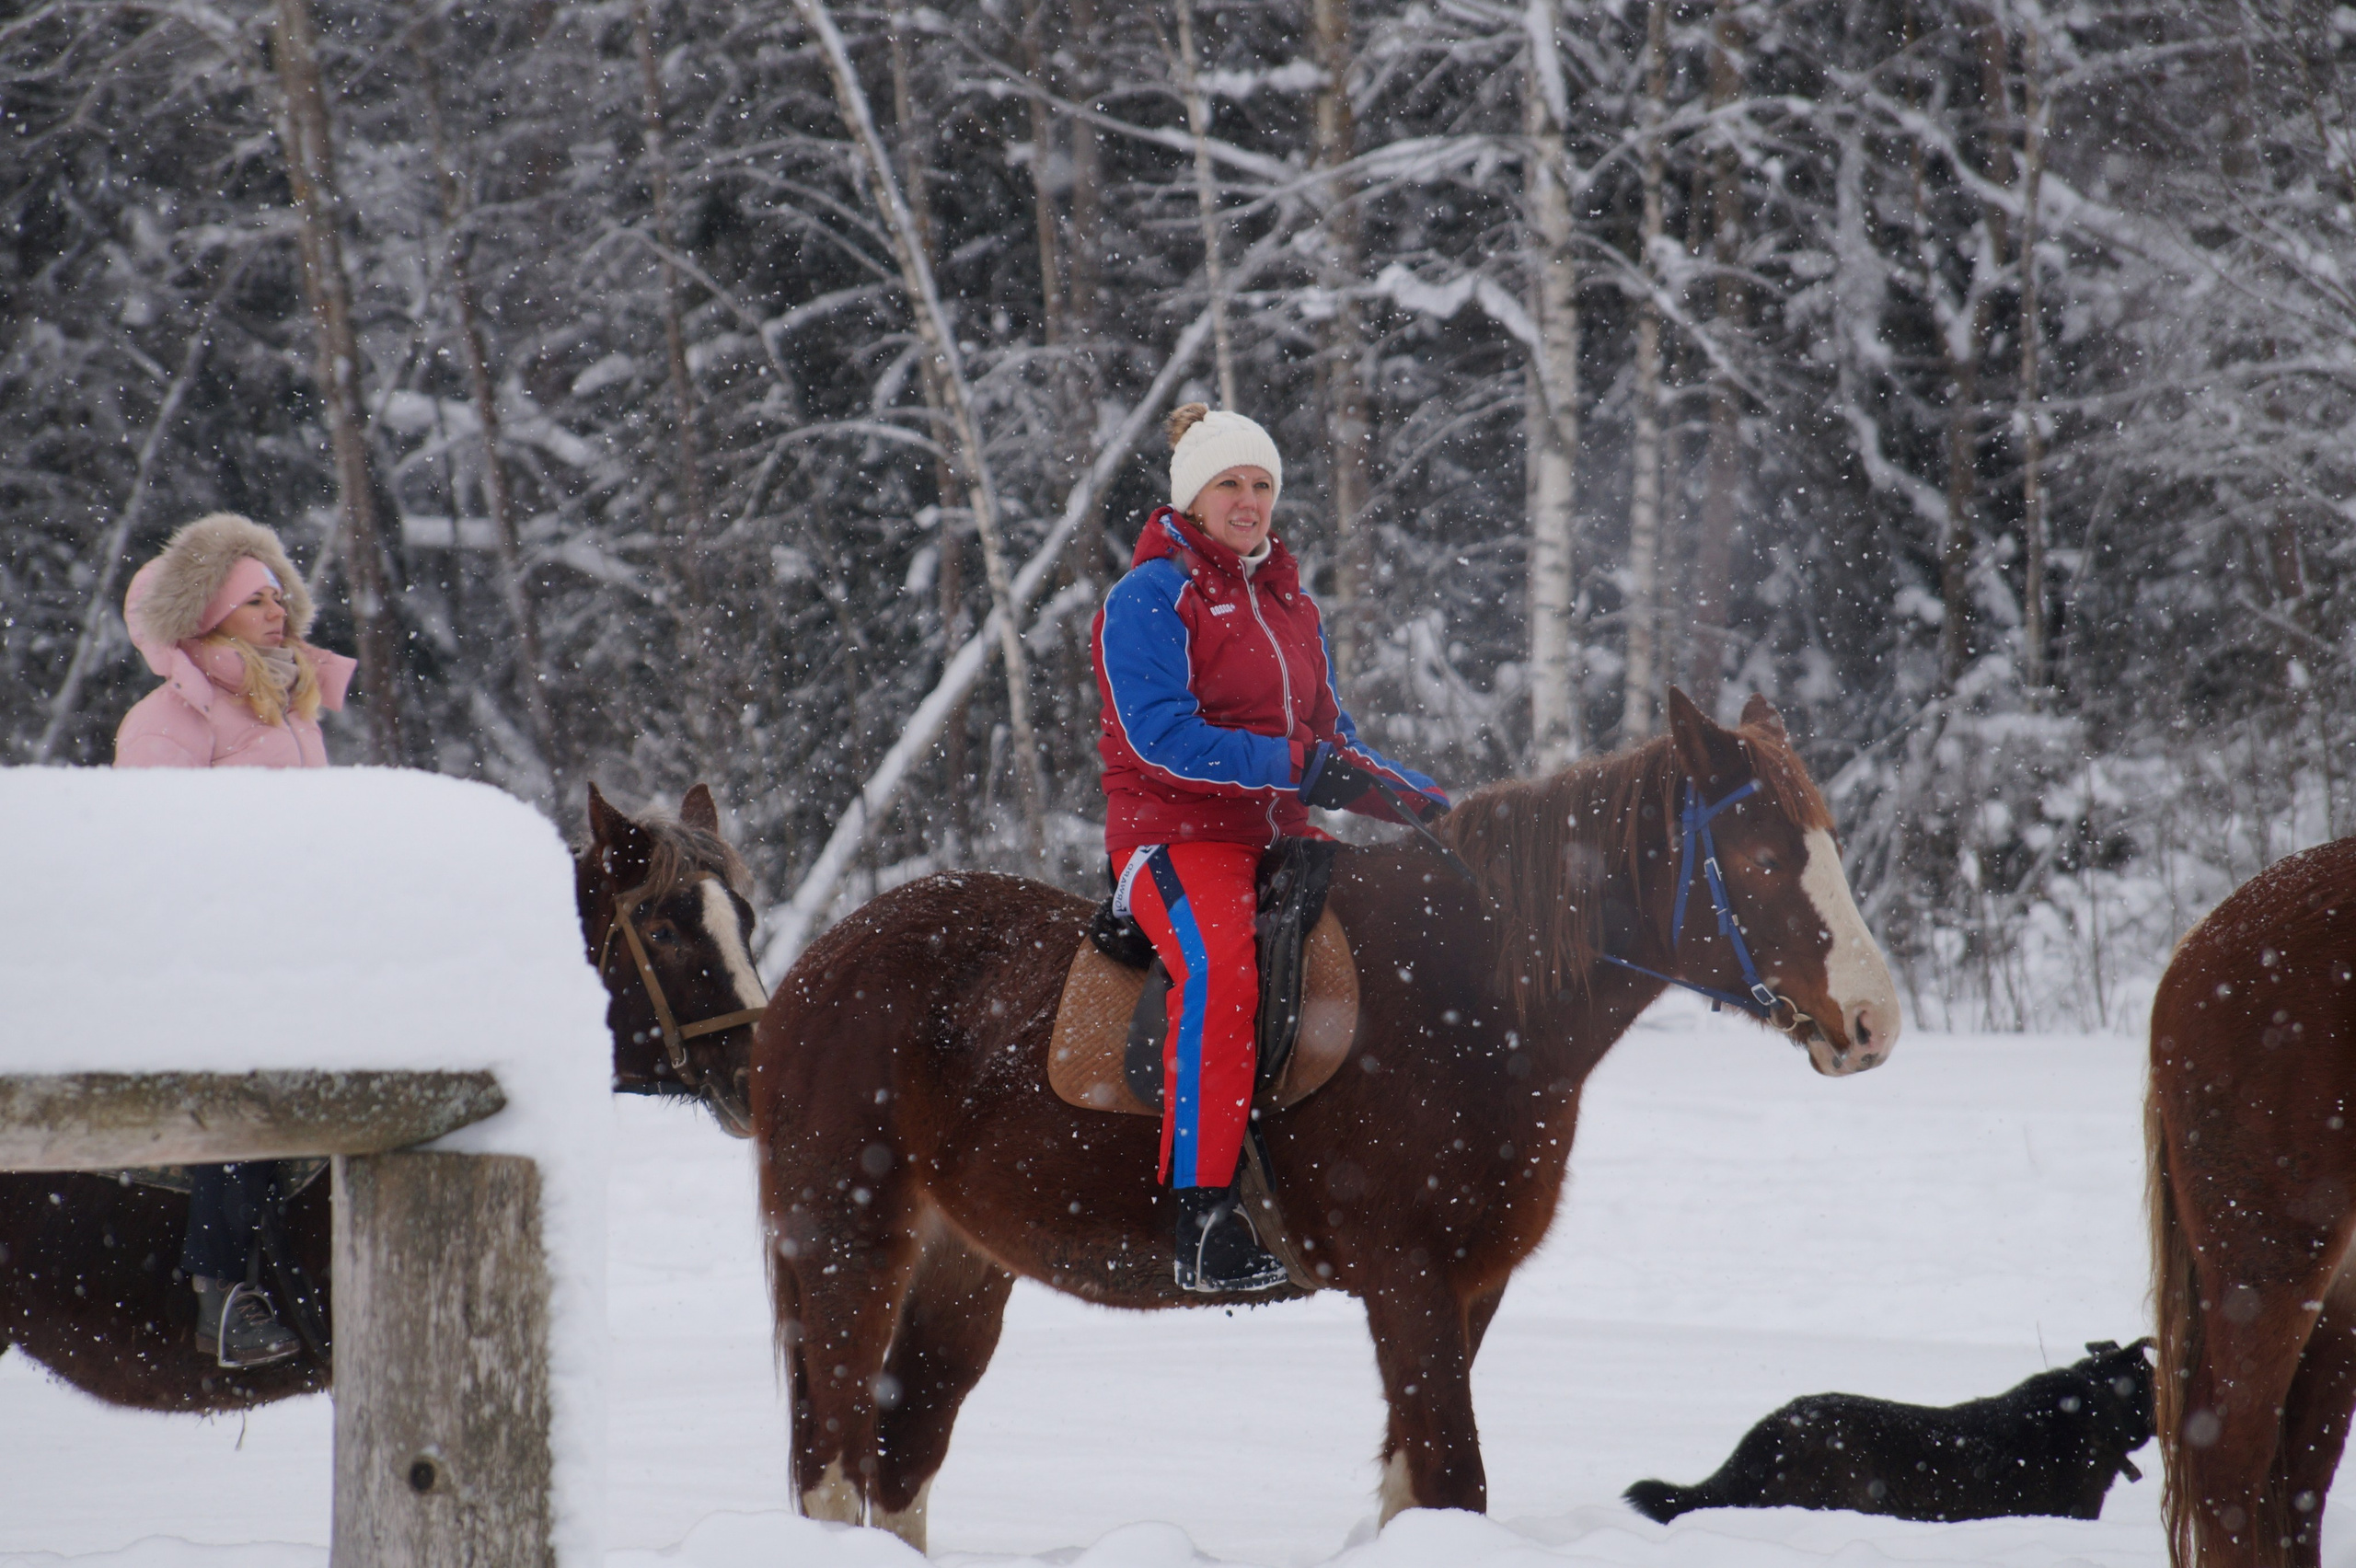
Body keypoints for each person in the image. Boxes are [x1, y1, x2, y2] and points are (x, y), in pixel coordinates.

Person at [1091, 404, 1447, 1293]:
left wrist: (1427, 808)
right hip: (1173, 834)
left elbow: (1333, 742)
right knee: (1224, 972)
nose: (1249, 501)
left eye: (1262, 485)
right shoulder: (1149, 596)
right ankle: (1205, 1220)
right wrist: (1295, 765)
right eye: (1230, 484)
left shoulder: (1293, 605)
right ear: (1192, 498)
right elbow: (1160, 737)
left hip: (1278, 834)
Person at [115, 513, 357, 1366]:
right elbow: (149, 853)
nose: (277, 610)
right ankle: (224, 1297)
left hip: (296, 952)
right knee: (242, 1095)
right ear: (210, 613)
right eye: (256, 600)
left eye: (279, 596)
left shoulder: (290, 706)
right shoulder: (168, 717)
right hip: (211, 964)